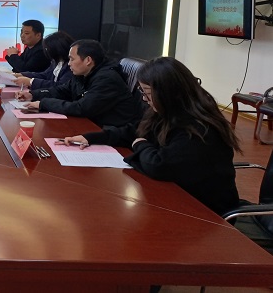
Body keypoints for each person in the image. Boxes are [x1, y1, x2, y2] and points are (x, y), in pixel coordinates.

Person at [58, 57, 241, 216]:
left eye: (147, 93)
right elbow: (136, 131)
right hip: (176, 196)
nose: (144, 99)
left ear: (167, 92)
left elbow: (159, 165)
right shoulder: (170, 110)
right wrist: (92, 138)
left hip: (205, 211)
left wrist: (140, 145)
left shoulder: (198, 128)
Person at [16, 39, 140, 128]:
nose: (69, 63)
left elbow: (81, 108)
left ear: (88, 60)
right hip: (91, 124)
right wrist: (33, 94)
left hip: (110, 132)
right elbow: (62, 90)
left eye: (72, 59)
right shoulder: (83, 74)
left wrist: (43, 103)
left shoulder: (107, 79)